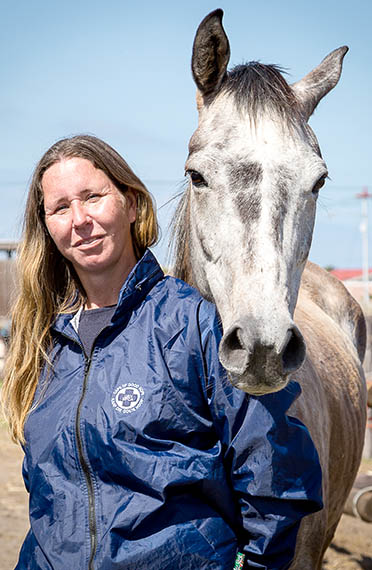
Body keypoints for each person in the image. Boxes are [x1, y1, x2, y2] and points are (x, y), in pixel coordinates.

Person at [2, 135, 323, 570]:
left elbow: (272, 472)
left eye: (93, 197)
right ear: (47, 226)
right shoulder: (42, 345)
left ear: (132, 204)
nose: (79, 220)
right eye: (60, 208)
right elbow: (48, 498)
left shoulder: (195, 325)